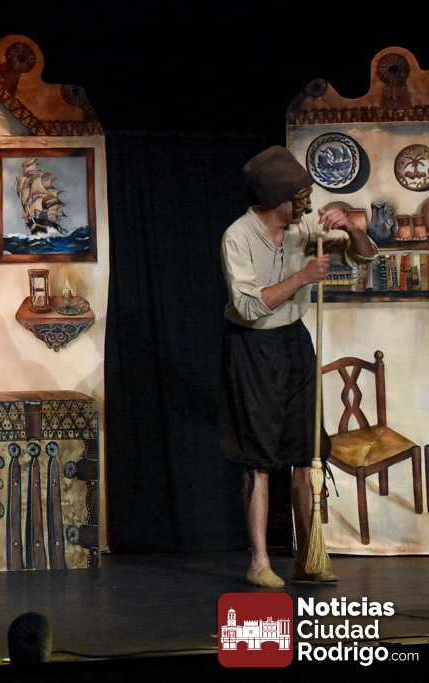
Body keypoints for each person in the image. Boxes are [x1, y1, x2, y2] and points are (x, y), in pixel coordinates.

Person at [219, 146, 377, 589]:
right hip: (253, 346)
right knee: (259, 457)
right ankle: (259, 561)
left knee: (306, 450)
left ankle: (309, 556)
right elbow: (248, 306)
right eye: (298, 197)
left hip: (293, 342)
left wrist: (350, 226)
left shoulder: (302, 227)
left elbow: (365, 255)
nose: (306, 205)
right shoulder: (237, 236)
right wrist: (303, 277)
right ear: (276, 199)